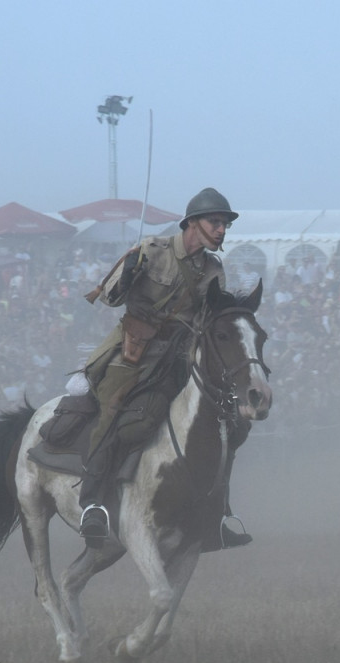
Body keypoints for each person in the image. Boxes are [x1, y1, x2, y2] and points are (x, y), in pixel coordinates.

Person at [77, 187, 252, 550]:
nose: (221, 230)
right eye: (215, 222)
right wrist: (125, 275)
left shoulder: (214, 269)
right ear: (192, 224)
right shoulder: (151, 252)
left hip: (181, 357)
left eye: (224, 224)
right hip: (133, 353)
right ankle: (92, 504)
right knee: (114, 412)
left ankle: (216, 514)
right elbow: (109, 298)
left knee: (230, 421)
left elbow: (210, 321)